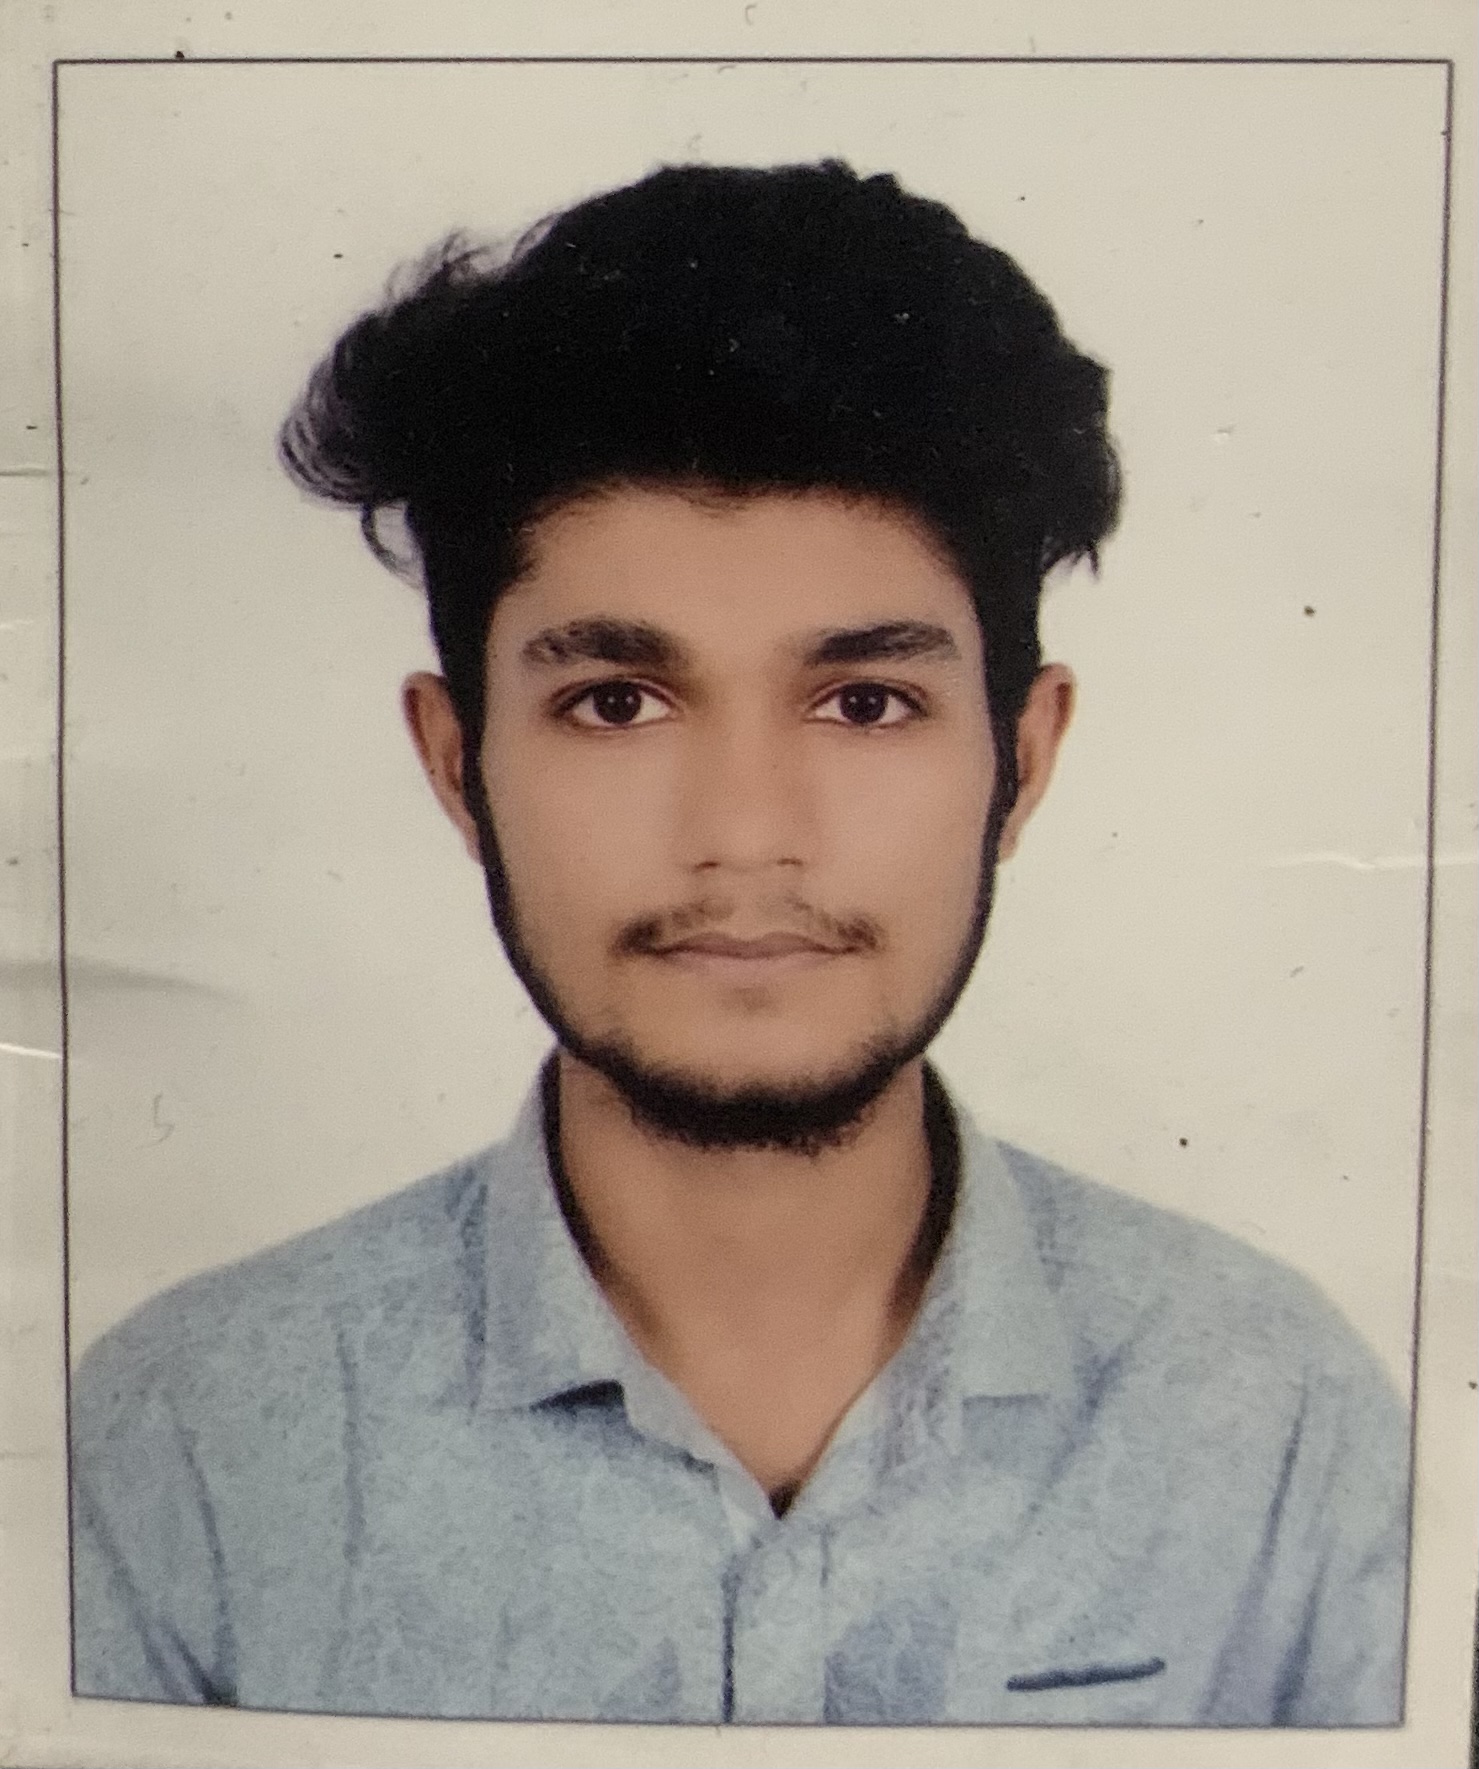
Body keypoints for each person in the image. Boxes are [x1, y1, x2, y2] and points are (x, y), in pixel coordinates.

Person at [70, 159, 1408, 1726]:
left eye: (866, 702)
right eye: (617, 702)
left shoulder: (1279, 1417)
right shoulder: (183, 1441)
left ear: (1024, 760)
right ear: (458, 765)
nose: (747, 831)